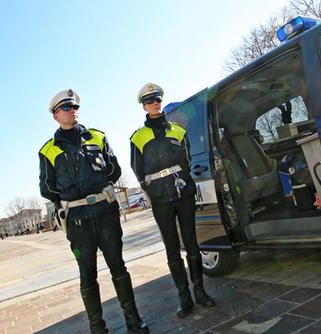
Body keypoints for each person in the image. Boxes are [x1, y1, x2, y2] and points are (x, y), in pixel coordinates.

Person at [38, 89, 148, 334]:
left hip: (105, 214)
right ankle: (98, 328)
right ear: (55, 116)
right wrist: (73, 198)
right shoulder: (48, 151)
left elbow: (114, 170)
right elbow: (48, 188)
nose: (72, 111)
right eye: (66, 108)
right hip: (78, 222)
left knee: (118, 267)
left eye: (75, 107)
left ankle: (134, 320)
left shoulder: (97, 137)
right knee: (87, 274)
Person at [130, 83, 215, 319]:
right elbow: (138, 172)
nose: (154, 104)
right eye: (149, 101)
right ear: (143, 106)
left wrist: (185, 184)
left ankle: (200, 291)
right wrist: (153, 192)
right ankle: (184, 296)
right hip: (161, 199)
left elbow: (186, 161)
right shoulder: (138, 137)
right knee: (171, 249)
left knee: (192, 243)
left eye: (157, 99)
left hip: (182, 194)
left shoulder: (178, 130)